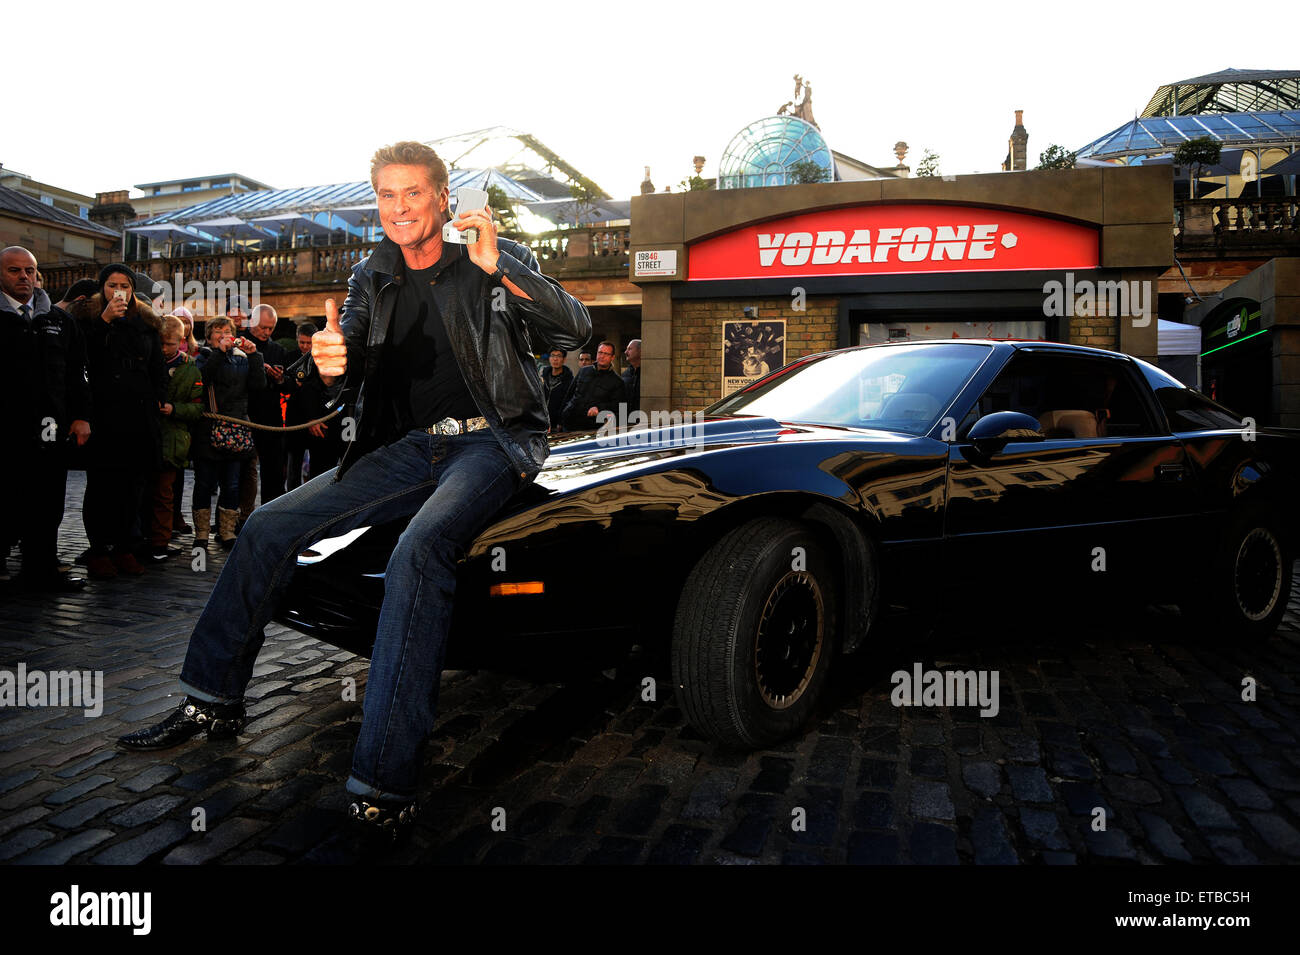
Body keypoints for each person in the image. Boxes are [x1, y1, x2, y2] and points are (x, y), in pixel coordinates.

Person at [118, 140, 590, 841]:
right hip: (405, 448)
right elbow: (354, 351)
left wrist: (505, 271)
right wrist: (335, 365)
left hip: (492, 441)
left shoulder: (492, 254)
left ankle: (383, 782)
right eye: (386, 196)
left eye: (413, 194)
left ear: (440, 196)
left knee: (419, 550)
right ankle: (210, 699)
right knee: (267, 526)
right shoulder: (373, 272)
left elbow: (574, 328)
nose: (399, 208)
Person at [0, 247, 92, 592]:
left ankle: (40, 569)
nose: (23, 277)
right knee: (7, 498)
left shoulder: (58, 319)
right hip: (7, 429)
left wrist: (82, 417)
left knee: (47, 501)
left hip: (51, 429)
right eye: (14, 271)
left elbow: (77, 373)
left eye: (29, 271)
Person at [70, 265, 166, 579]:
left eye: (124, 285)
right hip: (104, 415)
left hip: (139, 416)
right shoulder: (87, 320)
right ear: (103, 288)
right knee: (102, 486)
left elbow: (156, 368)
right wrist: (105, 321)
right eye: (112, 285)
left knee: (133, 486)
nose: (118, 291)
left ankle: (125, 546)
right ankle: (99, 550)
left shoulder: (146, 322)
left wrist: (159, 400)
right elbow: (83, 360)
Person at [190, 316, 265, 549]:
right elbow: (202, 381)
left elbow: (258, 387)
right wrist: (219, 353)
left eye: (227, 330)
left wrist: (255, 356)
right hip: (208, 430)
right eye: (218, 330)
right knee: (204, 482)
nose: (223, 334)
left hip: (235, 428)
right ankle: (201, 533)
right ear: (209, 335)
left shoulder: (242, 360)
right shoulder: (202, 358)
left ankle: (227, 531)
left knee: (232, 484)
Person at [147, 315, 203, 559]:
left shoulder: (190, 369)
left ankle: (160, 541)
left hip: (173, 441)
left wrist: (175, 409)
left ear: (181, 341)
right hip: (149, 437)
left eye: (168, 344)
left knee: (164, 495)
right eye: (160, 343)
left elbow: (198, 408)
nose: (163, 349)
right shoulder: (148, 362)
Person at [284, 322, 342, 489]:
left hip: (326, 420)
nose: (305, 346)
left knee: (324, 466)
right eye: (302, 342)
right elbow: (300, 388)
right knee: (295, 465)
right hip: (299, 420)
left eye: (309, 343)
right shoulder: (291, 357)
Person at [245, 303, 291, 504]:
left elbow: (290, 386)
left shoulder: (278, 350)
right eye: (263, 327)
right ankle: (240, 518)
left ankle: (272, 512)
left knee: (274, 470)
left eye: (270, 328)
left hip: (270, 415)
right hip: (245, 413)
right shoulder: (241, 343)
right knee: (243, 472)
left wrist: (280, 378)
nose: (266, 332)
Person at [561, 340, 625, 431]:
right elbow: (569, 394)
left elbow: (618, 406)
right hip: (569, 424)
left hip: (591, 428)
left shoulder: (617, 382)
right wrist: (562, 416)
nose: (602, 356)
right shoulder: (584, 371)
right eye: (600, 352)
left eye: (606, 354)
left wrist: (599, 408)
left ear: (612, 357)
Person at [540, 347, 573, 433]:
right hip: (540, 421)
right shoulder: (543, 376)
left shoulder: (569, 380)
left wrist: (560, 422)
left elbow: (568, 403)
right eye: (553, 356)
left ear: (564, 359)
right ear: (549, 358)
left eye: (559, 356)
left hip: (557, 425)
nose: (555, 359)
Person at [622, 338, 641, 412]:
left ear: (640, 351)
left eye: (629, 349)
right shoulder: (625, 374)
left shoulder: (649, 374)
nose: (625, 352)